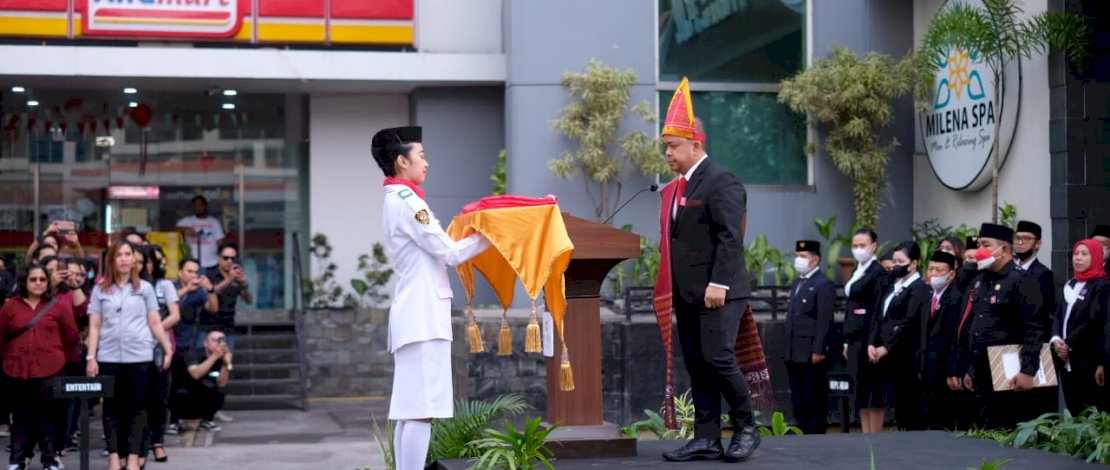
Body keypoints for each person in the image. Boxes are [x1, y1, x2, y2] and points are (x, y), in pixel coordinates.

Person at [373, 125, 491, 470]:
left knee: (410, 410)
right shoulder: (409, 203)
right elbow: (450, 252)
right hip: (423, 316)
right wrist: (492, 235)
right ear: (402, 161)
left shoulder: (399, 199)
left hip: (416, 314)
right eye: (421, 156)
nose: (426, 163)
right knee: (422, 411)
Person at [656, 79, 758, 463]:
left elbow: (731, 236)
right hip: (688, 294)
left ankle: (747, 428)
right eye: (666, 147)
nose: (668, 153)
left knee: (718, 359)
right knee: (697, 365)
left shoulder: (720, 180)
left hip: (719, 291)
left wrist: (718, 283)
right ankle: (706, 438)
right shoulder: (678, 186)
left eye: (674, 146)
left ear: (696, 145)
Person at [85, 241, 174, 470]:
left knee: (137, 406)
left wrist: (167, 347)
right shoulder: (100, 289)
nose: (124, 259)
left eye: (128, 254)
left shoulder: (144, 288)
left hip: (139, 356)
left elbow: (154, 321)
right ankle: (115, 456)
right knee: (111, 407)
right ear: (112, 260)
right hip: (108, 356)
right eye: (119, 255)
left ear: (134, 260)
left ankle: (134, 456)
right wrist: (91, 357)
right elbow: (94, 325)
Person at [960, 223, 1052, 430]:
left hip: (1009, 373)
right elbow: (979, 326)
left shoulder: (1021, 280)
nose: (979, 250)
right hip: (982, 372)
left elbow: (1034, 327)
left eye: (985, 245)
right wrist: (971, 369)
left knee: (1006, 430)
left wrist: (1028, 371)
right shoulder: (981, 280)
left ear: (1003, 249)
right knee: (985, 431)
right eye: (979, 245)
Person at [0, 265, 79, 470]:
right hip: (17, 369)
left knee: (49, 417)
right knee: (20, 416)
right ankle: (18, 460)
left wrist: (54, 353)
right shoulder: (11, 306)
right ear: (25, 282)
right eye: (33, 279)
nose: (38, 283)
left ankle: (50, 459)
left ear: (48, 282)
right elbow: (2, 337)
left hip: (51, 369)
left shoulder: (58, 306)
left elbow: (71, 337)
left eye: (42, 279)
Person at [868, 241, 929, 431]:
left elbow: (908, 321)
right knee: (897, 404)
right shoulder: (892, 286)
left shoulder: (919, 288)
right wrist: (872, 343)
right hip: (886, 356)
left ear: (913, 264)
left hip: (906, 355)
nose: (895, 265)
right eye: (894, 261)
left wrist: (887, 346)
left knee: (909, 403)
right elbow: (879, 316)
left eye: (900, 261)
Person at [783, 240, 836, 435]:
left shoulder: (823, 283)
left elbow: (824, 319)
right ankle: (802, 432)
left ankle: (815, 434)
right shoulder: (798, 283)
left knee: (813, 396)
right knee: (799, 397)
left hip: (810, 351)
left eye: (803, 256)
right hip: (794, 350)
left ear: (815, 260)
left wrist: (819, 349)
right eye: (797, 256)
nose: (798, 260)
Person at [1050, 239, 1108, 414]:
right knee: (1072, 406)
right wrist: (1056, 340)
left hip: (1087, 358)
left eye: (1084, 254)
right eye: (1076, 254)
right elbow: (1058, 315)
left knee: (1089, 409)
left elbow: (1093, 320)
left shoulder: (1101, 285)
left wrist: (1068, 343)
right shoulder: (1070, 284)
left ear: (1096, 257)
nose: (1078, 258)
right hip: (1064, 357)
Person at [840, 228, 887, 433]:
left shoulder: (878, 272)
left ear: (873, 246)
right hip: (854, 337)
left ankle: (874, 435)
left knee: (872, 390)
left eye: (863, 245)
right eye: (855, 245)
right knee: (859, 389)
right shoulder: (857, 270)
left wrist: (873, 341)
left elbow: (878, 310)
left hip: (868, 338)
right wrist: (846, 341)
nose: (858, 249)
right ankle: (865, 434)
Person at [165, 258, 218, 436]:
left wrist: (210, 289)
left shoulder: (199, 292)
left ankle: (194, 417)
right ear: (180, 272)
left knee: (187, 381)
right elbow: (166, 304)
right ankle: (172, 420)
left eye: (196, 272)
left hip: (188, 342)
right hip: (168, 340)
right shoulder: (171, 286)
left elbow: (213, 308)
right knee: (170, 383)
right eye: (190, 271)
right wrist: (186, 289)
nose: (193, 275)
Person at [142, 246, 180, 463]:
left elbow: (174, 315)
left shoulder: (164, 285)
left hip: (159, 348)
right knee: (138, 397)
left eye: (149, 261)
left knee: (159, 395)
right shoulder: (128, 286)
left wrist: (154, 331)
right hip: (133, 349)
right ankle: (138, 444)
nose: (145, 265)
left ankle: (157, 441)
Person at [919, 251, 963, 430]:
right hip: (927, 366)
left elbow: (955, 337)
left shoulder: (955, 298)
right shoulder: (928, 296)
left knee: (944, 417)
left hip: (944, 367)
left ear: (951, 274)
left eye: (939, 270)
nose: (934, 274)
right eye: (930, 269)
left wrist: (953, 370)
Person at [169, 331, 231, 433]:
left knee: (219, 392)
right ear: (205, 343)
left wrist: (227, 364)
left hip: (203, 391)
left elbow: (222, 383)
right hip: (184, 391)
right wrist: (214, 356)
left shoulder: (220, 358)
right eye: (214, 340)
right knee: (178, 391)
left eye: (221, 341)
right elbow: (196, 374)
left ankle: (208, 420)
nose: (218, 344)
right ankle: (173, 422)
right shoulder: (193, 354)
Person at [202, 241, 252, 352]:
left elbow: (249, 300)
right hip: (207, 326)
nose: (229, 261)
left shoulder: (237, 274)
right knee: (205, 358)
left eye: (233, 259)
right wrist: (228, 280)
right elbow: (209, 292)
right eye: (226, 258)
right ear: (219, 258)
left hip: (228, 326)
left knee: (227, 359)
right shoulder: (209, 273)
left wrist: (244, 284)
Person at [176, 196, 226, 271]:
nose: (197, 208)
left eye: (200, 205)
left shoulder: (214, 222)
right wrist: (186, 229)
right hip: (193, 263)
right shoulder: (187, 221)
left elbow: (220, 241)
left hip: (212, 262)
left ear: (205, 206)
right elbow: (174, 231)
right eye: (195, 205)